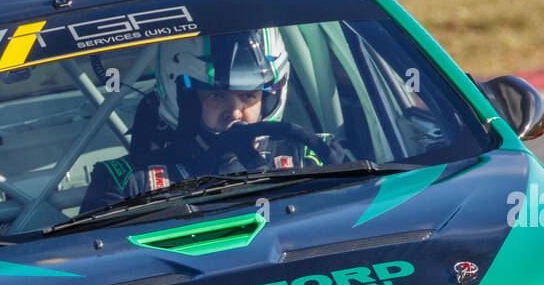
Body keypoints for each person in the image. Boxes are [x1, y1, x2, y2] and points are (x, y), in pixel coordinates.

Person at [80, 28, 346, 213]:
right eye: (217, 96)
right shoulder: (126, 180)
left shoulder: (315, 155)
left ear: (269, 96)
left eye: (249, 96)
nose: (236, 112)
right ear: (184, 98)